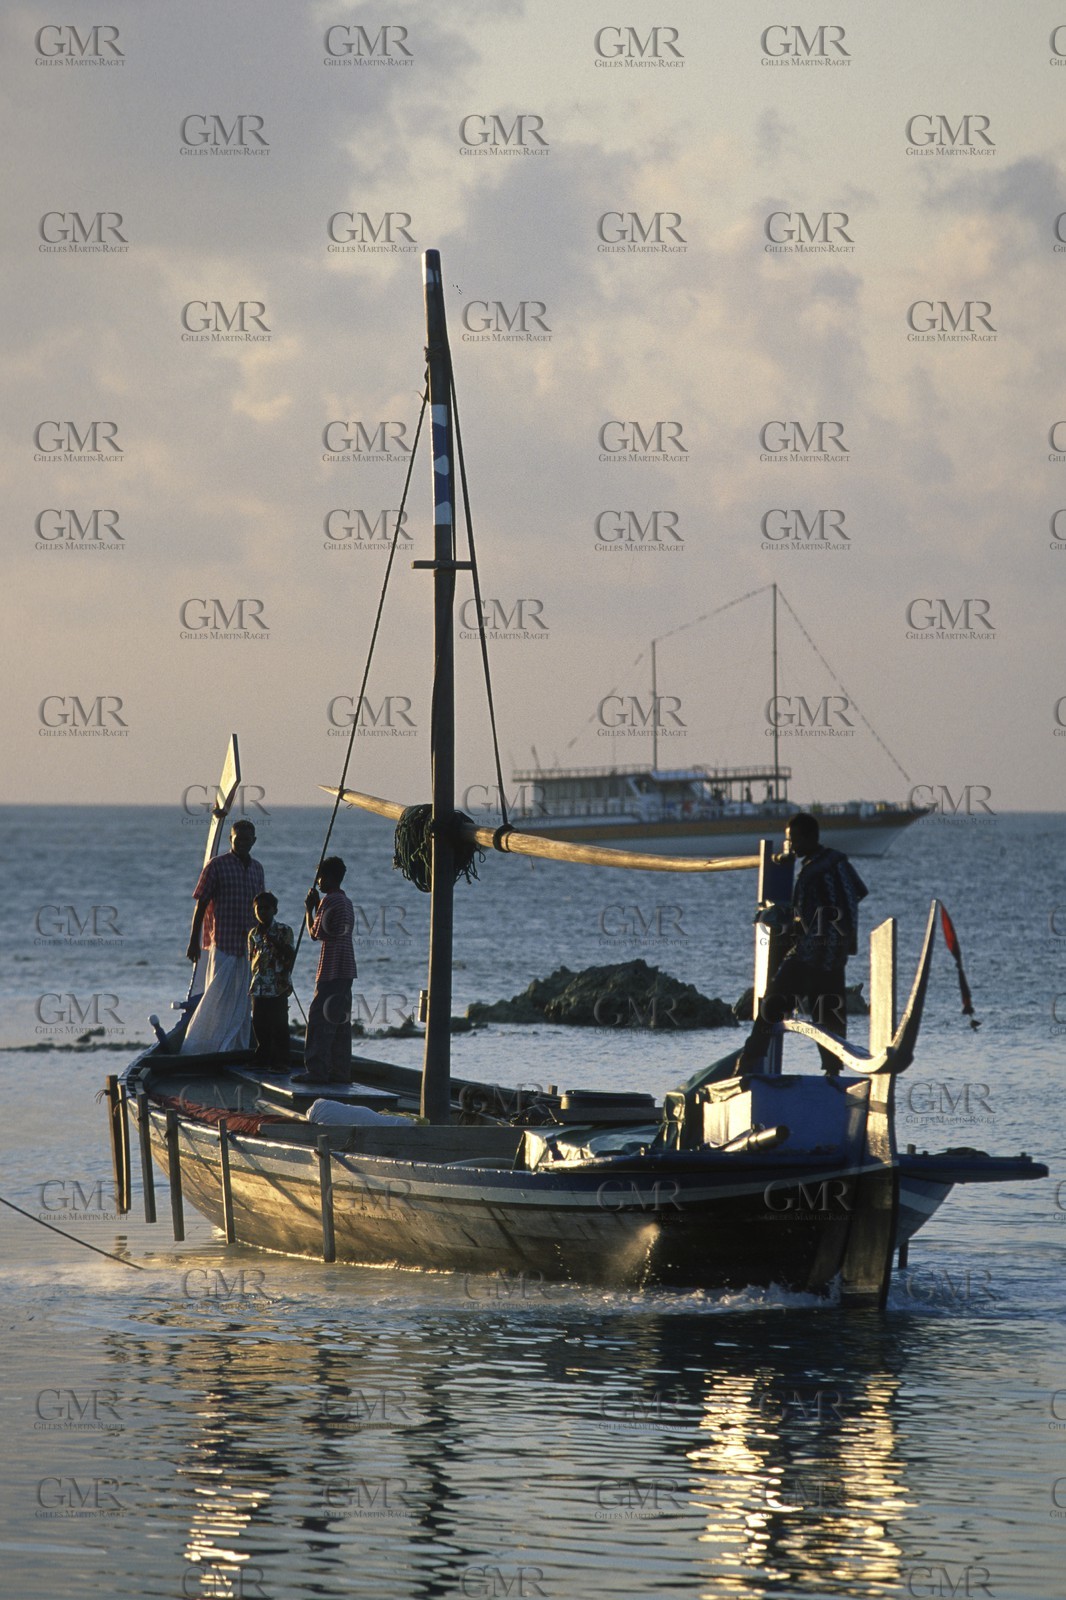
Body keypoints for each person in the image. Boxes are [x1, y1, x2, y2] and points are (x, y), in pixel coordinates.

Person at [737, 812, 868, 1075]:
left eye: (794, 840)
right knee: (828, 1014)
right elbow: (859, 892)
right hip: (836, 955)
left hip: (810, 954)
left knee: (772, 1003)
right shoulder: (838, 861)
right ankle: (833, 1073)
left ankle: (748, 1064)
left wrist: (789, 921)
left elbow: (805, 914)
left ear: (809, 838)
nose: (792, 846)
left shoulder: (811, 872)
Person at [182, 819, 265, 1054]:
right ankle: (207, 1046)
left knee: (242, 1000)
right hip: (224, 942)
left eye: (247, 839)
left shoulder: (257, 868)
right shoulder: (216, 866)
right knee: (217, 997)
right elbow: (201, 904)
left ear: (254, 841)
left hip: (249, 946)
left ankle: (235, 1047)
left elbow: (261, 908)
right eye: (238, 839)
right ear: (231, 839)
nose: (242, 843)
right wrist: (193, 941)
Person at [293, 856, 356, 1085]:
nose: (318, 881)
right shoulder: (346, 901)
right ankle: (340, 1071)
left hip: (332, 969)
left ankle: (317, 1070)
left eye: (320, 877)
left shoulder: (330, 901)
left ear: (329, 878)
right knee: (339, 1022)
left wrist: (309, 909)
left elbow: (316, 933)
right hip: (346, 969)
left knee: (319, 1019)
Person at [247, 892, 295, 1069]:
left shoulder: (284, 930)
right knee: (259, 1024)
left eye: (266, 908)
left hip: (277, 985)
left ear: (274, 910)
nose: (262, 912)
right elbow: (251, 958)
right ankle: (262, 1059)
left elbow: (290, 955)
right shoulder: (253, 934)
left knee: (279, 1024)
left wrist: (275, 942)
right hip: (259, 985)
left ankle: (282, 1061)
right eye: (259, 909)